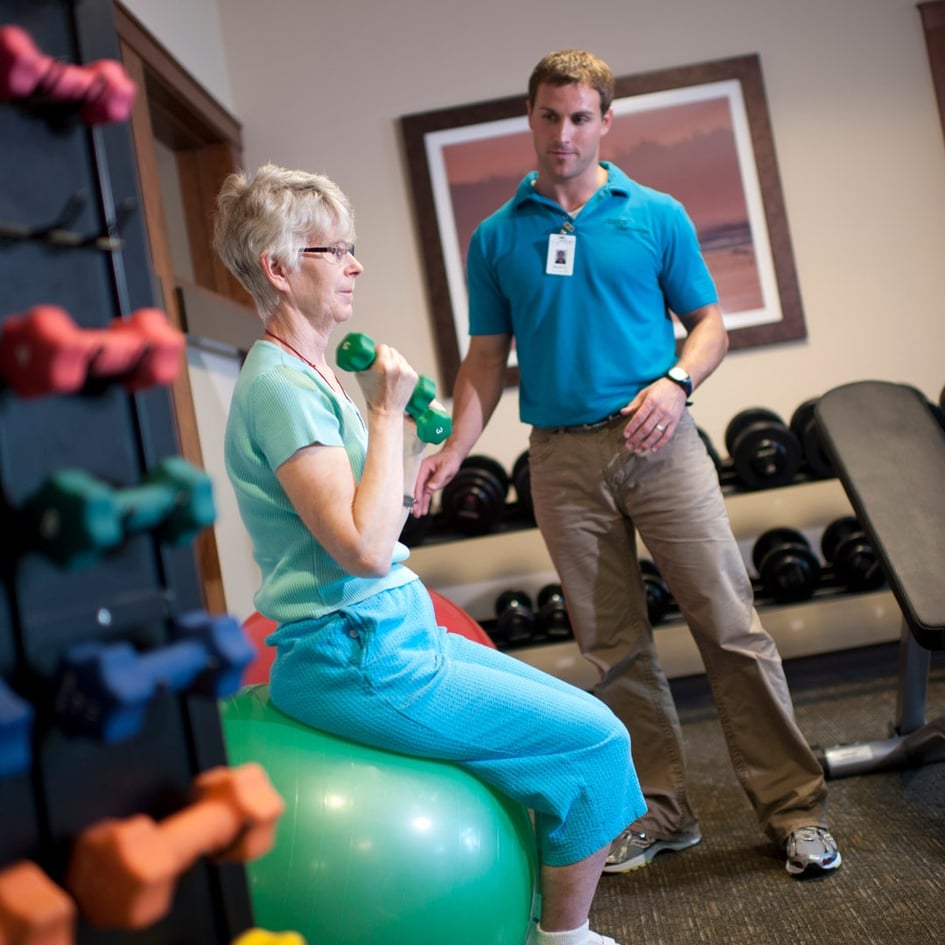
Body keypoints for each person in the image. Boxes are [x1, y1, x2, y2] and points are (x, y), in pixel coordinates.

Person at [415, 49, 841, 879]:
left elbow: (709, 321)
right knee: (612, 648)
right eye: (548, 116)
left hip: (660, 443)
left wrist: (676, 381)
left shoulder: (654, 213)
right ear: (529, 119)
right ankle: (659, 811)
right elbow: (483, 359)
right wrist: (452, 450)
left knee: (731, 627)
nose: (562, 133)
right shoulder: (497, 237)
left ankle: (794, 809)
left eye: (580, 117)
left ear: (605, 121)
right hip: (559, 461)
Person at [214, 162, 646, 945]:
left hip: (394, 629)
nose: (354, 264)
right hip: (355, 652)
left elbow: (364, 515)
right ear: (278, 269)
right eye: (331, 250)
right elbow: (362, 549)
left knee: (586, 729)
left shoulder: (312, 369)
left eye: (351, 247)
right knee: (595, 738)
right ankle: (564, 937)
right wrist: (385, 414)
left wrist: (404, 445)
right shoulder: (277, 384)